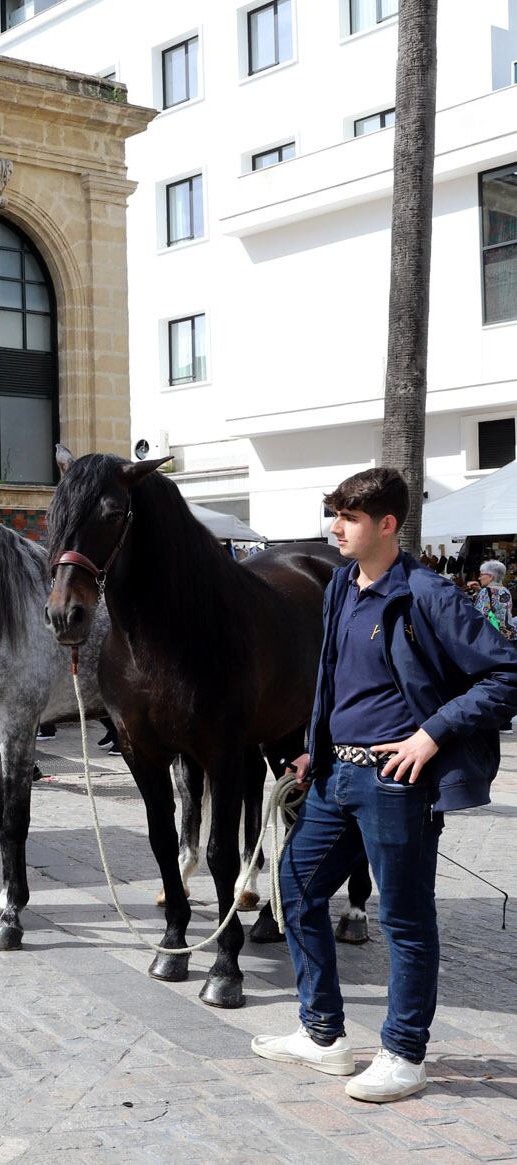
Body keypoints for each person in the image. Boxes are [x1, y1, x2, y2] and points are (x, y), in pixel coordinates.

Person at [253, 468, 517, 1103]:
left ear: (387, 524)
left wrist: (431, 735)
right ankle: (322, 1034)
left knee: (404, 918)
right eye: (335, 515)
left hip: (397, 782)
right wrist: (315, 748)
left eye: (348, 517)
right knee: (296, 890)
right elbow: (335, 678)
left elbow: (506, 674)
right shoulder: (341, 586)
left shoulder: (429, 594)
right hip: (332, 776)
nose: (335, 529)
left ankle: (404, 1053)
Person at [473, 561, 512, 638]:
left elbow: (479, 615)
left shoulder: (485, 591)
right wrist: (479, 591)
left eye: (481, 575)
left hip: (490, 636)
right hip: (505, 635)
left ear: (490, 577)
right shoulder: (505, 591)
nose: (479, 578)